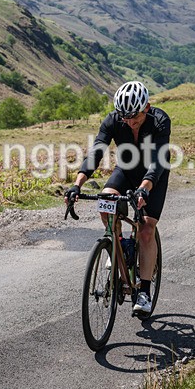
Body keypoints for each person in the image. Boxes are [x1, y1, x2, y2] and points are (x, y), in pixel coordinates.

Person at [65, 81, 171, 315]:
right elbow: (96, 152)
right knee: (106, 202)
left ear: (147, 108)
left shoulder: (160, 120)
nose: (130, 122)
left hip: (155, 175)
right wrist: (77, 184)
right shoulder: (113, 120)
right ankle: (120, 246)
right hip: (126, 170)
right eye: (125, 118)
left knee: (145, 229)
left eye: (135, 117)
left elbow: (158, 160)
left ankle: (143, 291)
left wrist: (145, 188)